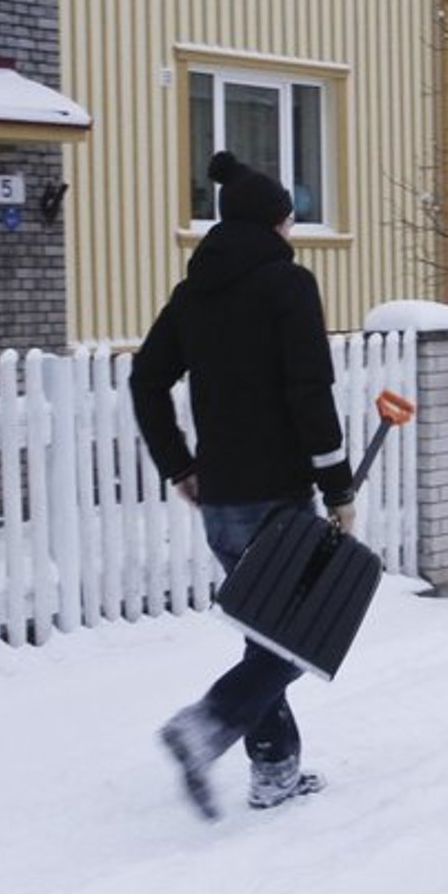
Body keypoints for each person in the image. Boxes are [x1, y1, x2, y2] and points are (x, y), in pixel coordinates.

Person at [131, 150, 355, 820]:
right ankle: (206, 725)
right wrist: (338, 488)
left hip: (220, 496)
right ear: (275, 223)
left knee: (267, 628)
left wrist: (180, 465)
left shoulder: (194, 292)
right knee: (298, 634)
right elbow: (309, 393)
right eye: (290, 222)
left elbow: (146, 380)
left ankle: (275, 772)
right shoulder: (288, 286)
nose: (292, 234)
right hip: (278, 495)